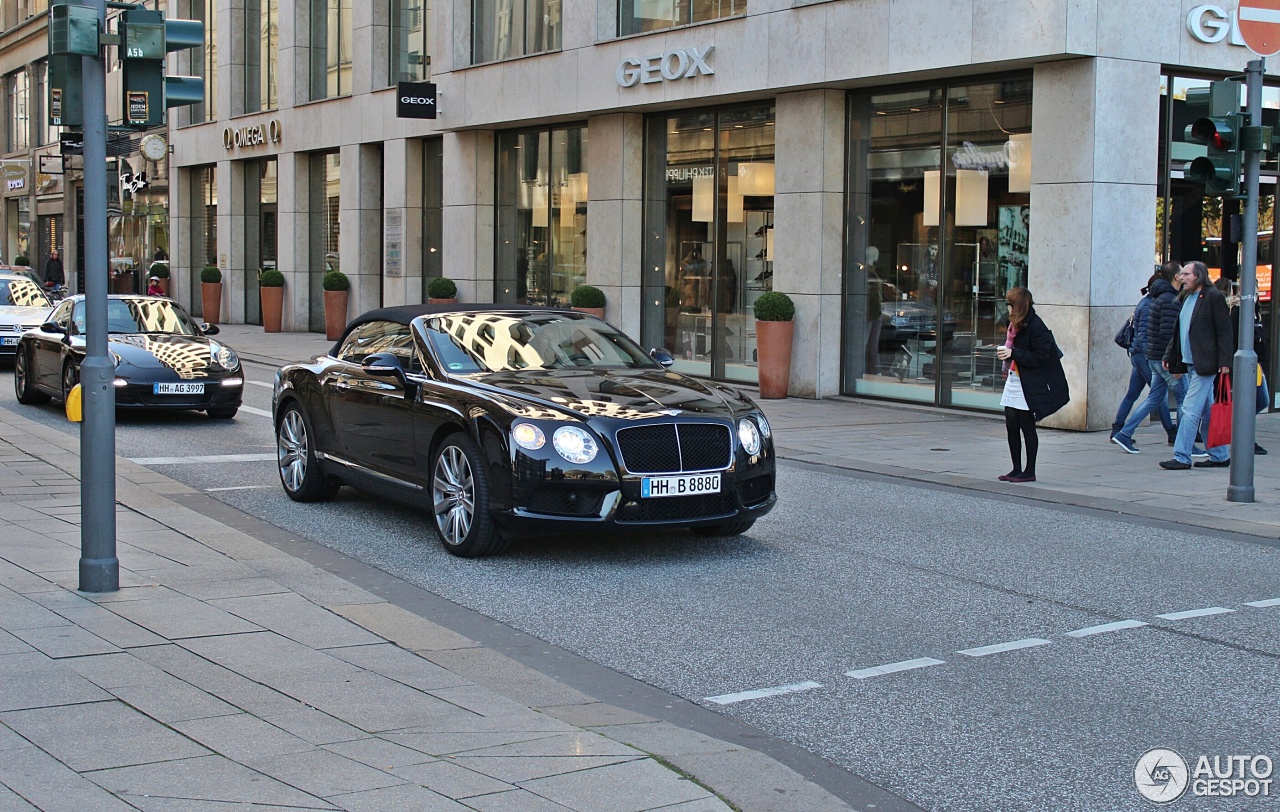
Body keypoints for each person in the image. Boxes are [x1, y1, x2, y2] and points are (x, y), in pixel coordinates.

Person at [1159, 261, 1234, 470]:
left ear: (1198, 276)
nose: (1181, 277)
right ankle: (1220, 455)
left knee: (1190, 409)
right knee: (1207, 410)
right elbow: (1180, 331)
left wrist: (1225, 363)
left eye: (1186, 274)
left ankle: (1182, 456)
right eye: (1181, 274)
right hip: (1190, 363)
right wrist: (1169, 355)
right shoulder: (1187, 297)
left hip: (1205, 364)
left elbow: (1224, 332)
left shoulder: (1213, 297)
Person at [995, 287, 1070, 483]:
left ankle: (1029, 470)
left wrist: (1013, 354)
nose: (1008, 307)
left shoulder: (1036, 326)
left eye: (1010, 304)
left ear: (1018, 305)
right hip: (1014, 377)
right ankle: (1016, 468)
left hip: (1028, 382)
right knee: (1011, 425)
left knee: (1026, 425)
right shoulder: (1014, 326)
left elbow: (1040, 357)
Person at [1111, 262, 1186, 453]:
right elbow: (1157, 333)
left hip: (1142, 354)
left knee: (1139, 394)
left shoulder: (1147, 301)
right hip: (1148, 355)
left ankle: (1120, 430)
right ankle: (1174, 434)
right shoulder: (1161, 302)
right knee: (1163, 396)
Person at [1215, 277, 1270, 455]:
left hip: (1256, 363)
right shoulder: (1238, 310)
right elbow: (1232, 337)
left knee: (1262, 400)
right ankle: (1244, 436)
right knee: (1257, 400)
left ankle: (1241, 431)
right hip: (1243, 363)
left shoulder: (1255, 310)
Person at [1110, 273, 1165, 439]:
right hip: (1143, 355)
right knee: (1158, 395)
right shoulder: (1150, 305)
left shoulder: (1145, 302)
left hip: (1138, 354)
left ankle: (1117, 428)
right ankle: (1171, 431)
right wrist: (1150, 354)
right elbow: (1144, 335)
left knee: (1132, 394)